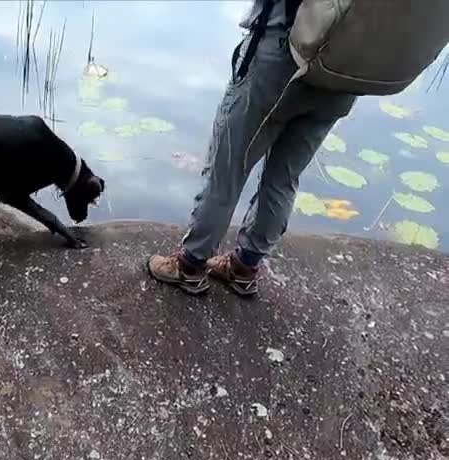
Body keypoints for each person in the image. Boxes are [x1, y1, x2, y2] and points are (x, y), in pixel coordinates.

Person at [147, 0, 356, 296]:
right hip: (345, 73)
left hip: (281, 55)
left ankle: (190, 265)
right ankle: (244, 268)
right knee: (283, 178)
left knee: (227, 169)